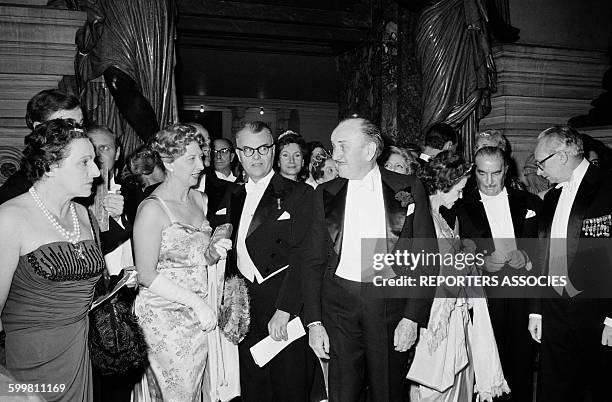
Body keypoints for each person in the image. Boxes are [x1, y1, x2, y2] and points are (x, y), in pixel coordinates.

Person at [303, 117, 437, 402]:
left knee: (388, 392)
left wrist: (412, 318)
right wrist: (314, 323)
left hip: (388, 306)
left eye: (342, 147)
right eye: (333, 147)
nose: (334, 155)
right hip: (338, 308)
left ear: (368, 150)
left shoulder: (410, 189)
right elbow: (312, 261)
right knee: (342, 393)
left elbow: (426, 258)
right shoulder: (323, 193)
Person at [0, 119, 104, 402]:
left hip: (78, 355)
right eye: (85, 162)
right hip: (29, 362)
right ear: (50, 165)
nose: (96, 171)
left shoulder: (84, 215)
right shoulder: (10, 218)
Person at [219, 121, 322, 401]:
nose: (256, 156)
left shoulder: (300, 194)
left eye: (263, 148)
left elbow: (304, 255)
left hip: (283, 302)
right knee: (253, 387)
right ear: (238, 154)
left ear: (273, 150)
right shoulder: (233, 194)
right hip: (245, 306)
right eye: (248, 150)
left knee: (289, 387)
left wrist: (285, 309)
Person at [132, 123, 232, 401]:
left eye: (201, 156)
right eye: (192, 158)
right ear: (168, 162)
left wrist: (213, 253)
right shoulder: (152, 209)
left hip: (201, 317)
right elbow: (146, 274)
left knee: (198, 390)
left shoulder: (201, 200)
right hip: (165, 319)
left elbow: (195, 257)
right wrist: (196, 303)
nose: (201, 164)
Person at [408, 151, 509, 401]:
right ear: (444, 185)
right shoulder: (421, 220)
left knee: (458, 384)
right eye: (459, 189)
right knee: (433, 387)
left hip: (456, 315)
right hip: (434, 318)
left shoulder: (443, 218)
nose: (462, 195)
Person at [529, 125, 612, 402]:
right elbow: (542, 253)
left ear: (562, 156)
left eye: (541, 163)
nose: (539, 172)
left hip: (596, 315)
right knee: (553, 389)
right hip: (554, 311)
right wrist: (537, 311)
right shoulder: (551, 197)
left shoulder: (608, 187)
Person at [453, 146, 541, 402]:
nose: (489, 181)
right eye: (482, 173)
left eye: (496, 173)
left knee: (521, 368)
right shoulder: (460, 206)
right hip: (483, 300)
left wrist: (525, 259)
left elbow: (544, 250)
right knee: (485, 370)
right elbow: (450, 253)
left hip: (521, 297)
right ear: (474, 173)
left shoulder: (530, 203)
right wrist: (481, 262)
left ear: (506, 170)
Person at [0, 89, 83, 205]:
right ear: (39, 128)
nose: (79, 133)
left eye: (80, 125)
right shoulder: (14, 194)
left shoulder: (84, 177)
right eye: (66, 125)